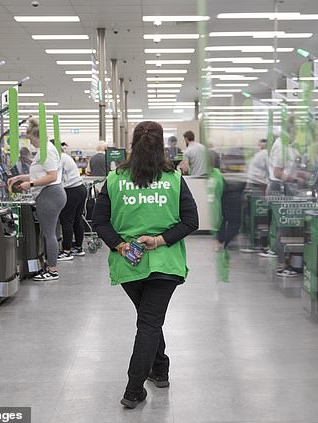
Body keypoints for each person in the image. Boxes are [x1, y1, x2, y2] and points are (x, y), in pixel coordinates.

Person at [92, 121, 198, 409]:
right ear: (162, 144)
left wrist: (121, 244)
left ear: (132, 143)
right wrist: (160, 240)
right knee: (150, 321)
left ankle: (146, 379)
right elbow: (191, 221)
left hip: (129, 263)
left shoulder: (114, 179)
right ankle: (145, 380)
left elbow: (99, 220)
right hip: (166, 263)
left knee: (148, 320)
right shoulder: (173, 178)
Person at [7, 118, 66, 281]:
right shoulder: (46, 150)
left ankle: (52, 270)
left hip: (50, 194)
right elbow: (41, 173)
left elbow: (51, 176)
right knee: (49, 233)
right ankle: (49, 266)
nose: (31, 142)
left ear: (38, 137)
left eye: (31, 139)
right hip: (53, 193)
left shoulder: (46, 151)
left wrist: (30, 184)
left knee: (49, 234)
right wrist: (20, 177)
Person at [58, 148, 87, 261]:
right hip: (80, 188)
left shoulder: (59, 158)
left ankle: (66, 251)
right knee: (77, 219)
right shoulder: (66, 157)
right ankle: (78, 248)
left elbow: (56, 178)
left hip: (71, 191)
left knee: (66, 220)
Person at [267, 116, 302, 195]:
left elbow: (289, 167)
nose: (296, 133)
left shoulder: (289, 145)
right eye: (295, 131)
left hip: (286, 185)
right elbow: (277, 173)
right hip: (278, 188)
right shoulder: (280, 146)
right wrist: (296, 180)